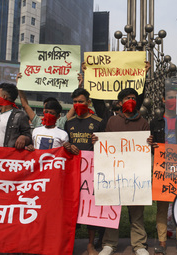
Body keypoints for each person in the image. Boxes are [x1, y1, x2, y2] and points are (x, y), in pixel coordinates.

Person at [95, 88, 150, 255]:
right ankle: (109, 244)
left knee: (137, 211)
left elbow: (147, 147)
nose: (131, 101)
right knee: (112, 208)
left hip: (135, 174)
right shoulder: (111, 121)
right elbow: (105, 144)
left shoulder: (143, 122)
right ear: (119, 103)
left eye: (133, 98)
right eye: (127, 98)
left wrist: (149, 142)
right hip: (114, 172)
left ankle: (139, 244)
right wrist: (97, 141)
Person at [150, 86, 177, 255]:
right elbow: (151, 147)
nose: (172, 101)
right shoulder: (156, 122)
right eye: (169, 97)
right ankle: (162, 243)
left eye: (175, 97)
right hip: (161, 168)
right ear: (162, 100)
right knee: (161, 208)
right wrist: (151, 145)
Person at [63, 87, 106, 255]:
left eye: (80, 101)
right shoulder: (69, 122)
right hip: (73, 173)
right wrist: (67, 145)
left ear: (88, 102)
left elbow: (107, 145)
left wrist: (99, 142)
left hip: (92, 172)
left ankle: (90, 244)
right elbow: (62, 145)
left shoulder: (98, 121)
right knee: (72, 207)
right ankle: (69, 242)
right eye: (74, 102)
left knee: (90, 208)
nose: (77, 104)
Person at [16, 72, 83, 129]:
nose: (48, 114)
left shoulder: (61, 123)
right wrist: (19, 85)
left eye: (51, 112)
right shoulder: (38, 122)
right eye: (46, 111)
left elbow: (75, 106)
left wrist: (79, 87)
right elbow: (25, 105)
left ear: (58, 115)